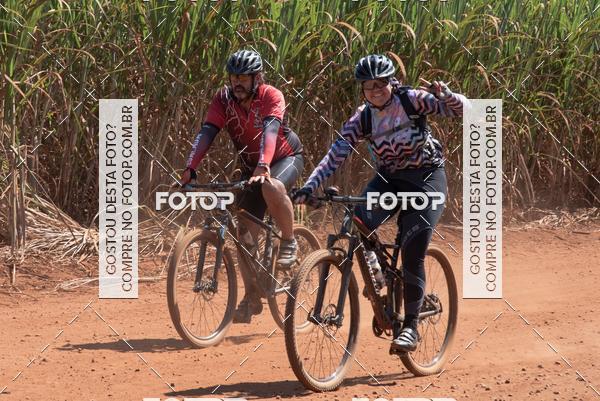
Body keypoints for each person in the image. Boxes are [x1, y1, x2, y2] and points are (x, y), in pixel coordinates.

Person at [293, 54, 469, 352]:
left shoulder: (412, 100)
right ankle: (380, 275)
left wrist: (447, 96)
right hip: (389, 179)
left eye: (380, 84)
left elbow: (464, 110)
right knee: (357, 219)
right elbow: (335, 154)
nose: (375, 91)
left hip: (426, 178)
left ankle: (410, 328)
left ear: (392, 82)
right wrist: (311, 186)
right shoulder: (363, 118)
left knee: (412, 249)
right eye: (368, 86)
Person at [180, 49, 304, 323]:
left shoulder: (271, 96)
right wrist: (191, 167)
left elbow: (271, 132)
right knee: (243, 233)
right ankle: (252, 296)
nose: (237, 82)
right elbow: (207, 132)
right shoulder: (223, 100)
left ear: (257, 78)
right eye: (234, 77)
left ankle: (288, 240)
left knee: (270, 187)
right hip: (251, 167)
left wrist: (264, 164)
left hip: (284, 158)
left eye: (244, 78)